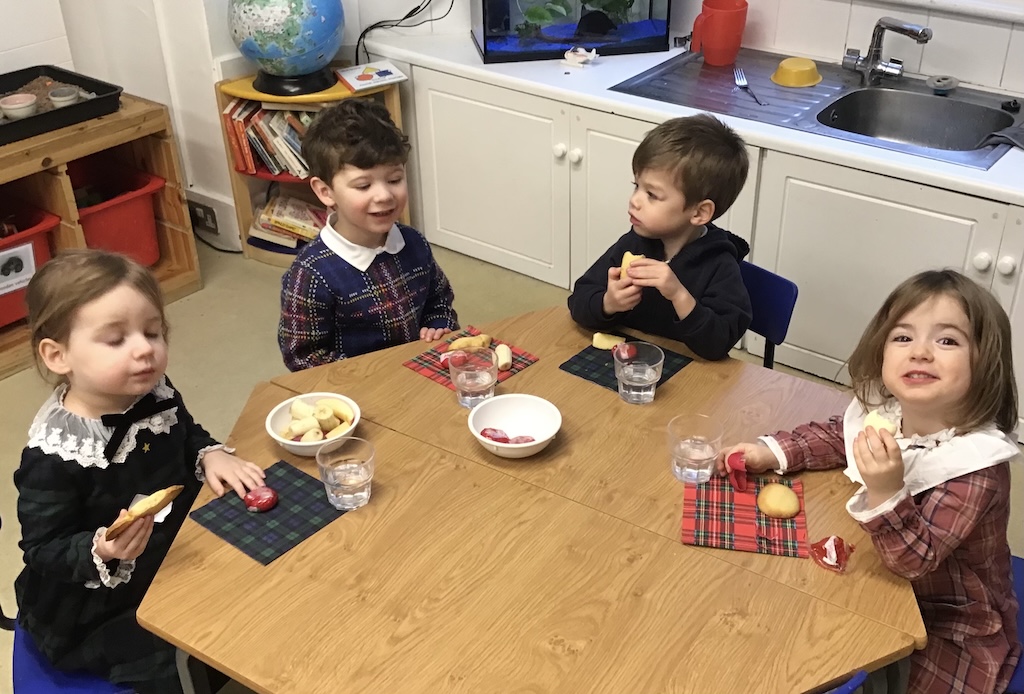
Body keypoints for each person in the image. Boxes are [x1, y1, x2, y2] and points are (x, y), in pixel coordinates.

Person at [717, 269, 1020, 694]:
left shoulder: (976, 466)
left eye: (947, 341)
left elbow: (913, 561)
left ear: (985, 361)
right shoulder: (894, 411)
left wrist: (886, 491)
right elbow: (837, 437)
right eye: (903, 337)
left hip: (949, 618)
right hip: (881, 584)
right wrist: (772, 451)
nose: (920, 352)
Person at [15, 249, 267, 694]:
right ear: (58, 356)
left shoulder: (154, 390)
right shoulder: (54, 455)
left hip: (178, 545)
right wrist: (101, 549)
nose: (145, 349)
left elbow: (185, 432)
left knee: (262, 590)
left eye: (153, 332)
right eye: (116, 340)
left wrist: (209, 453)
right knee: (182, 659)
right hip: (105, 596)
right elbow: (42, 548)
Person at [278, 98, 458, 371]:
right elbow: (303, 357)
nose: (384, 195)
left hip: (420, 373)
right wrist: (368, 373)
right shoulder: (310, 275)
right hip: (355, 387)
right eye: (363, 186)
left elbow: (439, 299)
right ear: (325, 192)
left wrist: (438, 324)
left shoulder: (414, 242)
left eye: (394, 179)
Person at [567, 113, 752, 360]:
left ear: (699, 212)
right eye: (636, 186)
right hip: (624, 365)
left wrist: (679, 295)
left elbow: (718, 344)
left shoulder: (719, 265)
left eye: (652, 195)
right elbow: (578, 300)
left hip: (687, 374)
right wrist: (608, 303)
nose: (634, 200)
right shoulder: (633, 244)